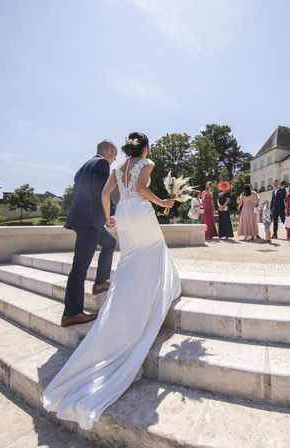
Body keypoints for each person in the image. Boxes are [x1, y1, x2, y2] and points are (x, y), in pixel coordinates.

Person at [42, 132, 179, 430]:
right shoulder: (147, 161)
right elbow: (142, 189)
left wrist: (108, 219)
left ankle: (122, 307)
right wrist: (163, 201)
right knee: (154, 250)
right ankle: (155, 294)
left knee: (130, 260)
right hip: (141, 212)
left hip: (124, 215)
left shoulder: (116, 168)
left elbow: (106, 195)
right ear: (143, 147)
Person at [61, 140, 118, 328]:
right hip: (89, 222)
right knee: (80, 267)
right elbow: (102, 192)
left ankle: (100, 282)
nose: (115, 159)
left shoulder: (84, 166)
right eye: (115, 155)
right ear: (108, 150)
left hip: (84, 219)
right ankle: (72, 313)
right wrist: (111, 214)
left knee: (109, 243)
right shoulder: (102, 163)